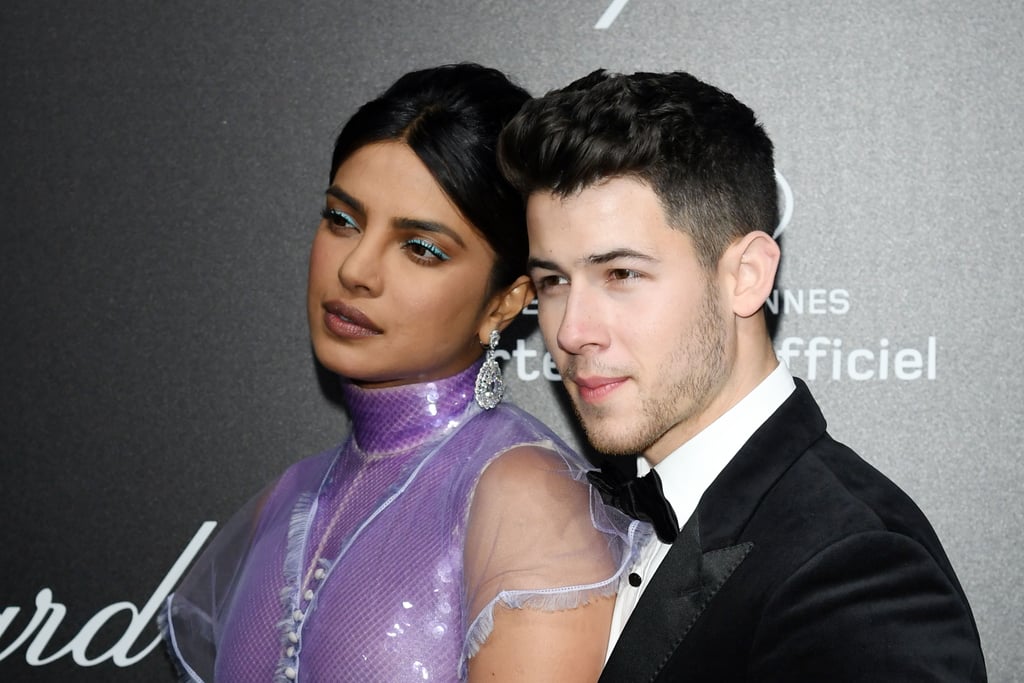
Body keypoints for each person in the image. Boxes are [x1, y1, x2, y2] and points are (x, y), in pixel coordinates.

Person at [498, 69, 987, 681]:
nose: (570, 331)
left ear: (747, 275)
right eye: (553, 282)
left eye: (621, 274)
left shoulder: (858, 568)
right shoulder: (600, 516)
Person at [162, 63, 637, 683]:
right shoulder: (284, 501)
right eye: (342, 219)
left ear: (503, 302)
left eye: (421, 249)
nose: (356, 268)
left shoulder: (522, 497)